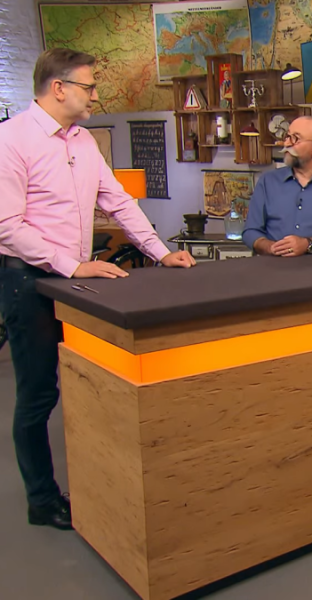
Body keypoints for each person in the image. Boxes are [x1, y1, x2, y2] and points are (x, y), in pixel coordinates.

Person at [0, 48, 195, 530]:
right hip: (29, 280)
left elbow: (119, 202)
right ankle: (42, 500)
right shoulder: (11, 139)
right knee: (38, 395)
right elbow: (6, 226)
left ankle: (99, 481)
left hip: (75, 280)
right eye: (88, 87)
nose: (94, 96)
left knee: (88, 382)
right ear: (58, 88)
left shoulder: (83, 141)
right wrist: (73, 265)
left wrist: (160, 252)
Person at [243, 116, 312, 257]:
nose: (287, 143)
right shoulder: (267, 181)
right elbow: (250, 232)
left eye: (295, 138)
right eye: (288, 136)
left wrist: (307, 244)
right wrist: (271, 247)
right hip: (273, 266)